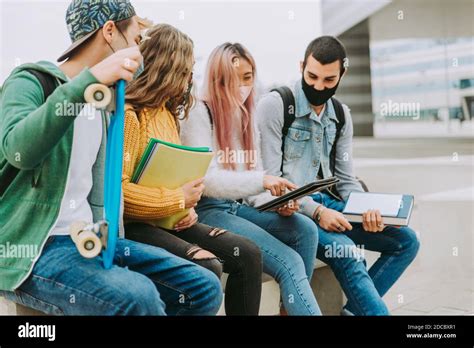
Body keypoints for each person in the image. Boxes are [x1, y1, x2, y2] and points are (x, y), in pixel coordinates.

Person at [0, 0, 222, 316]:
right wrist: (87, 84)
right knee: (140, 296)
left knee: (202, 287)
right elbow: (18, 149)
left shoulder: (103, 106)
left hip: (92, 241)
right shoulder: (30, 81)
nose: (139, 54)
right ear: (109, 32)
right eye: (134, 41)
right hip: (34, 246)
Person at [253, 35, 420, 315]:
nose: (318, 86)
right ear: (301, 66)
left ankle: (354, 310)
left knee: (407, 241)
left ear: (342, 74)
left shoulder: (341, 115)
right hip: (292, 211)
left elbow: (344, 178)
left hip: (332, 205)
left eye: (329, 80)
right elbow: (271, 179)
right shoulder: (276, 105)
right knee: (350, 254)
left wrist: (368, 207)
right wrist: (318, 212)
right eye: (312, 76)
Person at [123, 24, 263, 316]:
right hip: (136, 226)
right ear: (167, 70)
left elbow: (173, 179)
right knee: (207, 266)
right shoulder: (130, 117)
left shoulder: (168, 113)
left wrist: (186, 208)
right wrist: (176, 200)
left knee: (247, 254)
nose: (190, 79)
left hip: (171, 219)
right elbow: (119, 193)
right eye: (186, 71)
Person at [181, 42, 321, 316]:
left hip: (237, 208)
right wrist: (262, 181)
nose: (243, 86)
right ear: (218, 79)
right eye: (235, 79)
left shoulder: (246, 115)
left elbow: (257, 189)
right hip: (208, 210)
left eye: (248, 78)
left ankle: (290, 309)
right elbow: (207, 181)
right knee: (289, 261)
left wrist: (280, 201)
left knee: (305, 230)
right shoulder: (200, 113)